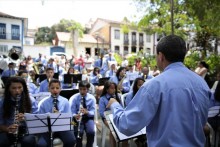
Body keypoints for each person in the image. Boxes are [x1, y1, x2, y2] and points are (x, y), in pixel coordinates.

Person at [107, 35, 211, 146]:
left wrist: (115, 105)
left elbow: (127, 125)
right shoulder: (201, 83)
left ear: (161, 56)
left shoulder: (155, 85)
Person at [0, 77, 38, 147]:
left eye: (20, 87)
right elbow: (0, 123)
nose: (17, 91)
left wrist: (26, 118)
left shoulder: (31, 100)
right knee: (1, 142)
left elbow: (37, 120)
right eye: (13, 88)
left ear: (23, 88)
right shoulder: (2, 102)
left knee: (28, 141)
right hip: (8, 130)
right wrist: (7, 129)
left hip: (26, 131)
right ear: (8, 89)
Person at [37, 79, 76, 147]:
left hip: (63, 128)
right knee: (41, 144)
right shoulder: (43, 103)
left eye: (57, 88)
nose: (55, 90)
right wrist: (50, 116)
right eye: (52, 88)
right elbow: (40, 119)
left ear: (60, 89)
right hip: (47, 129)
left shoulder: (65, 101)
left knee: (71, 140)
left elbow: (69, 119)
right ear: (49, 89)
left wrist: (59, 116)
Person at [99, 81, 126, 147]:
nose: (113, 90)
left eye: (114, 88)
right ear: (107, 89)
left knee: (124, 128)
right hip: (107, 117)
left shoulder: (118, 96)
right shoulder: (102, 98)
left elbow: (122, 108)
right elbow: (101, 112)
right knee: (113, 129)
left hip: (118, 115)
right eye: (111, 88)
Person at [69, 81, 96, 147]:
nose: (82, 91)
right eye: (80, 89)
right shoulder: (75, 98)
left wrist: (87, 112)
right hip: (76, 119)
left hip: (88, 118)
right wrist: (75, 115)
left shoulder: (91, 98)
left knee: (91, 132)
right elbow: (72, 112)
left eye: (84, 89)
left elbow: (93, 112)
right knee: (78, 132)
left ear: (88, 89)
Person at [124, 77, 146, 146]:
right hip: (134, 118)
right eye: (139, 85)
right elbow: (128, 109)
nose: (141, 87)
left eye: (143, 85)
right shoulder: (130, 95)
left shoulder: (146, 94)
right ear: (135, 86)